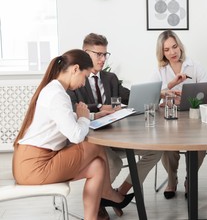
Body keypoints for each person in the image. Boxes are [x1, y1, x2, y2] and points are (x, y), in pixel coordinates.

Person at [12, 49, 133, 220]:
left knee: (97, 166)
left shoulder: (54, 89)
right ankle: (108, 192)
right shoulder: (57, 94)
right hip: (34, 166)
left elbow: (65, 118)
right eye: (84, 76)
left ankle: (92, 215)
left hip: (33, 161)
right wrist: (84, 119)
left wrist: (91, 116)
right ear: (75, 69)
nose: (84, 83)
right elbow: (76, 135)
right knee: (95, 144)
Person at [67, 33, 162, 218]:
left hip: (115, 137)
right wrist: (100, 107)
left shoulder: (110, 78)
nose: (103, 59)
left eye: (105, 54)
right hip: (92, 140)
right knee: (114, 163)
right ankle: (99, 201)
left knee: (156, 151)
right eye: (98, 54)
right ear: (85, 53)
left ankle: (119, 193)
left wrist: (160, 94)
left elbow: (130, 96)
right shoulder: (76, 79)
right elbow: (71, 107)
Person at [150, 30, 207, 199]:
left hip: (193, 117)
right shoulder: (160, 70)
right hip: (169, 119)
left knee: (201, 145)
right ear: (162, 52)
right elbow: (151, 96)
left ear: (180, 46)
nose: (172, 52)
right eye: (167, 49)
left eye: (174, 47)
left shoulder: (195, 66)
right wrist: (170, 85)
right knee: (168, 146)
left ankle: (190, 178)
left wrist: (188, 98)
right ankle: (171, 178)